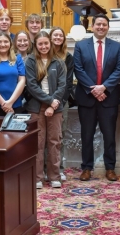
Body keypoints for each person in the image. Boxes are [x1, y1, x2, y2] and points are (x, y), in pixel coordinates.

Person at [73, 13, 120, 182]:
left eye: (104, 24)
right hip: (87, 98)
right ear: (92, 26)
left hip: (108, 98)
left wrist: (104, 88)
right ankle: (87, 168)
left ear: (108, 28)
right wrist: (93, 89)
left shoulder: (116, 47)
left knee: (109, 135)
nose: (101, 27)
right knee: (86, 135)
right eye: (98, 24)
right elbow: (78, 69)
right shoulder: (81, 46)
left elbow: (118, 69)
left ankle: (110, 168)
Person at [25, 31, 67, 189]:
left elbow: (63, 85)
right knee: (37, 142)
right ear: (36, 45)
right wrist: (49, 101)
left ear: (50, 43)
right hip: (36, 107)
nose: (43, 46)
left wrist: (52, 105)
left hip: (55, 108)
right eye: (40, 44)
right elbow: (31, 85)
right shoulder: (30, 61)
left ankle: (54, 176)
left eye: (46, 43)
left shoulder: (58, 61)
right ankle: (37, 177)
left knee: (54, 141)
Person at [0, 32, 26, 116]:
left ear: (10, 44)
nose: (3, 44)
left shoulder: (18, 59)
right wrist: (4, 104)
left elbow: (22, 80)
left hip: (15, 104)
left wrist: (10, 102)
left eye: (6, 41)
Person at [50, 26, 73, 182]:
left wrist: (59, 101)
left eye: (60, 35)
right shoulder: (43, 54)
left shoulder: (68, 56)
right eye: (55, 35)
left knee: (59, 136)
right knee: (45, 137)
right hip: (44, 102)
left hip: (61, 102)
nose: (58, 38)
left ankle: (59, 168)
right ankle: (45, 168)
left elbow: (68, 82)